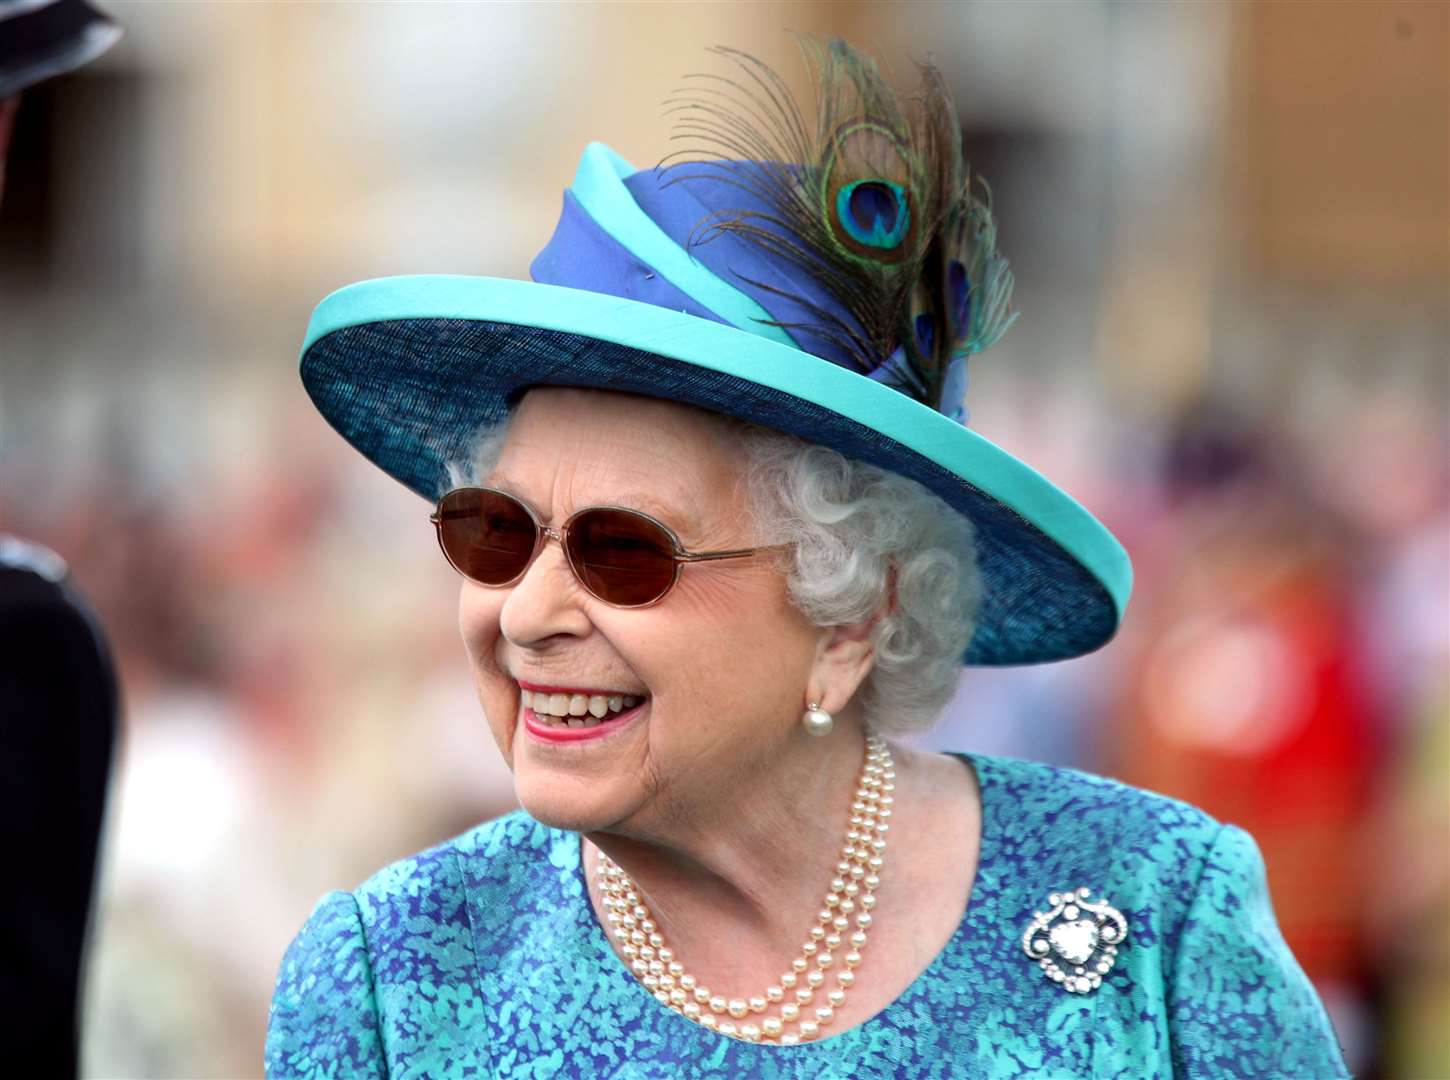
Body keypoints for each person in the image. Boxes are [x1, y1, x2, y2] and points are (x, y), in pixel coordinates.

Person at [265, 41, 1346, 1078]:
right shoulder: (391, 983)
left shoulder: (1153, 915)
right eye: (494, 532)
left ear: (851, 618)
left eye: (623, 550)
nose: (524, 612)